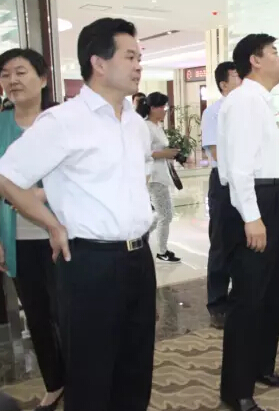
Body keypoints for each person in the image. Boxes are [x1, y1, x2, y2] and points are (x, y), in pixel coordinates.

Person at [0, 18, 156, 411]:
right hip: (90, 262)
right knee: (91, 372)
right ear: (99, 63)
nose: (139, 66)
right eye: (130, 57)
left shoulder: (135, 123)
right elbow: (7, 176)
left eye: (139, 58)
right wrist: (51, 224)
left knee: (136, 367)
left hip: (139, 258)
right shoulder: (63, 121)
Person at [216, 34, 279, 411]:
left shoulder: (260, 100)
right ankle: (236, 390)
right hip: (257, 201)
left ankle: (262, 366)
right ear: (255, 60)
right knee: (248, 297)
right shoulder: (244, 100)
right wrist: (252, 217)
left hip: (274, 196)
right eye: (274, 52)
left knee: (271, 291)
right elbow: (240, 168)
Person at [0, 48, 64, 411]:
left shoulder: (60, 122)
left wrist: (39, 194)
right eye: (5, 74)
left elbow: (79, 176)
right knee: (37, 317)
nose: (12, 80)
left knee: (67, 313)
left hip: (63, 236)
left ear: (42, 79)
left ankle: (83, 379)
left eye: (20, 72)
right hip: (19, 239)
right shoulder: (0, 125)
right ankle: (55, 384)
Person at [202, 61, 241, 329]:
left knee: (244, 243)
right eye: (237, 76)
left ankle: (240, 299)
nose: (242, 80)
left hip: (248, 181)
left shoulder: (249, 110)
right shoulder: (213, 113)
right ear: (223, 84)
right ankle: (217, 304)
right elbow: (216, 151)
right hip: (224, 182)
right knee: (221, 244)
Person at [137, 92, 182, 263]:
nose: (164, 110)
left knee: (163, 214)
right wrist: (165, 153)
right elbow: (145, 153)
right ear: (152, 108)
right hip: (154, 176)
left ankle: (141, 236)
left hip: (162, 174)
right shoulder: (146, 126)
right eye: (161, 107)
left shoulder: (157, 126)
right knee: (165, 215)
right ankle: (161, 250)